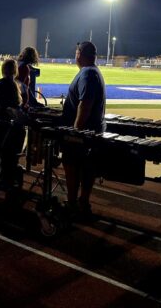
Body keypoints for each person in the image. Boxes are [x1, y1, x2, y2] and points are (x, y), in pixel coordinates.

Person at [61, 41, 106, 219]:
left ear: (79, 54)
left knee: (72, 165)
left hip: (83, 133)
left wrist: (75, 131)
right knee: (88, 168)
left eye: (76, 52)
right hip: (92, 131)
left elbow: (85, 104)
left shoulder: (87, 73)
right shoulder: (93, 72)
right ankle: (83, 203)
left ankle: (72, 203)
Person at [0, 59, 27, 188]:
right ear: (15, 71)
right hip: (17, 129)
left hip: (2, 127)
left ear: (2, 70)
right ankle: (9, 183)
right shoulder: (20, 85)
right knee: (10, 158)